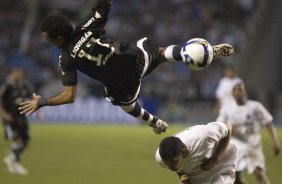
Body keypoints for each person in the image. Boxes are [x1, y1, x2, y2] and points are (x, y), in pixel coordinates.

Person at [18, 0, 234, 134]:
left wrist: (42, 102)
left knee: (120, 102)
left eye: (47, 39)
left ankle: (153, 122)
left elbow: (68, 96)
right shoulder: (87, 26)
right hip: (135, 58)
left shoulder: (65, 59)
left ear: (57, 38)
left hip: (122, 85)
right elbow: (105, 3)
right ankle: (198, 52)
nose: (46, 41)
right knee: (161, 52)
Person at [216, 82, 280, 184]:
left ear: (245, 92)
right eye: (236, 90)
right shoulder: (227, 108)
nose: (238, 92)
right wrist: (230, 127)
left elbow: (268, 122)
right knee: (235, 177)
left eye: (241, 89)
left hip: (253, 145)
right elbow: (219, 125)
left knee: (259, 173)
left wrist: (275, 141)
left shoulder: (255, 106)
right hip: (236, 146)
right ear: (232, 93)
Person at [155, 121, 237, 184]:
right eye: (168, 164)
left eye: (174, 162)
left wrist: (214, 160)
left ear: (184, 150)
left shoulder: (204, 135)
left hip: (221, 164)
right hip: (198, 174)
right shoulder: (161, 159)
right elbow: (175, 167)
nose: (172, 167)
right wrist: (182, 176)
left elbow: (228, 128)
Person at [0, 68, 35, 175]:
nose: (18, 77)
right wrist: (4, 114)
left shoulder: (23, 86)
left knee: (26, 140)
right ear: (12, 75)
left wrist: (38, 111)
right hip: (10, 118)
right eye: (16, 75)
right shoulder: (7, 87)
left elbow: (31, 97)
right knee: (15, 139)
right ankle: (17, 164)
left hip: (21, 117)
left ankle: (11, 158)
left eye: (20, 75)